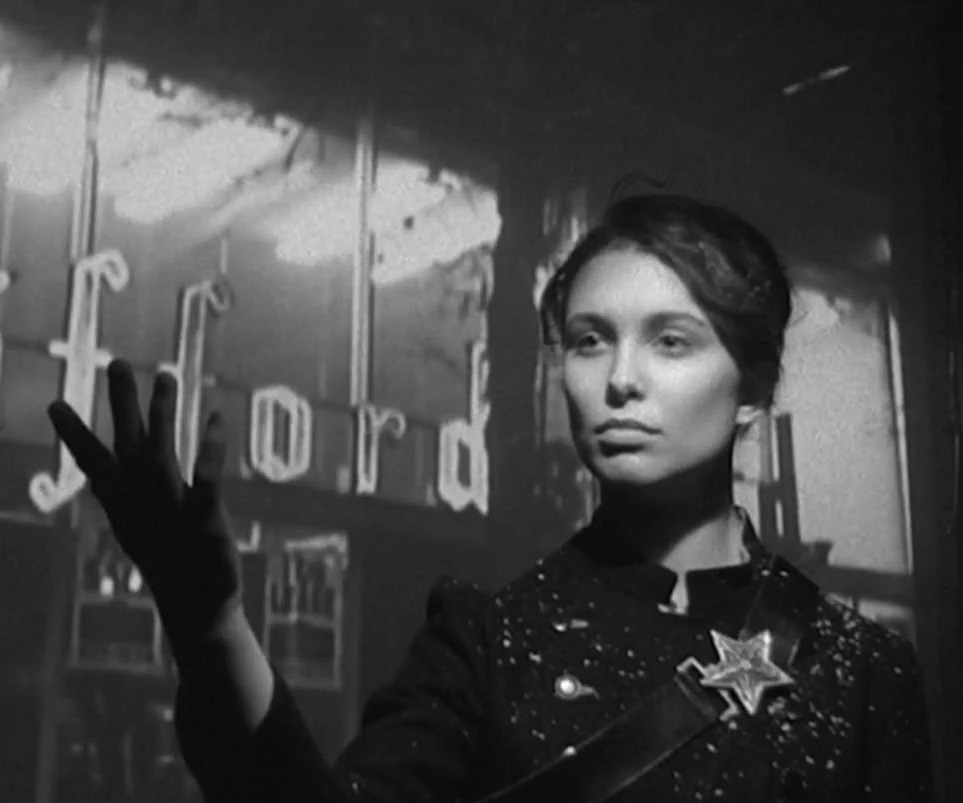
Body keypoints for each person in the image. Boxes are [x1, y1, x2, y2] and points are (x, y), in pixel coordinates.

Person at [46, 194, 935, 802]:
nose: (620, 379)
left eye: (671, 341)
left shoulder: (860, 669)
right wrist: (210, 626)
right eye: (590, 340)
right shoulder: (487, 639)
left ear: (754, 386)